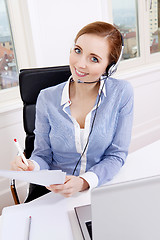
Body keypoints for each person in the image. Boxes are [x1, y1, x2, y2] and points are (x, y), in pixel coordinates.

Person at [11, 21, 134, 199]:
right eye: (78, 50)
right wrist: (31, 166)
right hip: (56, 193)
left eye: (94, 59)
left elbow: (116, 155)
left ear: (109, 67)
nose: (80, 64)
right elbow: (42, 155)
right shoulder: (46, 98)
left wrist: (84, 181)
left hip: (99, 187)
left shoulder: (122, 93)